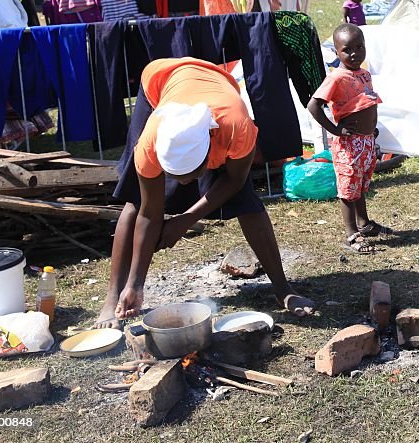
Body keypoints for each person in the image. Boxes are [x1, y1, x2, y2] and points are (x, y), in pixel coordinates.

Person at [95, 57, 316, 327]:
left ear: (210, 149)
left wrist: (185, 219)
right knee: (136, 200)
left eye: (192, 175)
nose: (185, 184)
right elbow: (149, 213)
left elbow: (234, 181)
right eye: (175, 177)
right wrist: (136, 284)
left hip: (218, 89)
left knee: (247, 201)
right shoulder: (150, 144)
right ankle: (116, 297)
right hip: (159, 83)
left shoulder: (236, 125)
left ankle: (284, 289)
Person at [306, 24, 392, 254]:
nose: (354, 53)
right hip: (348, 145)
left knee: (361, 185)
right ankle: (351, 233)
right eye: (347, 50)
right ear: (337, 53)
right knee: (347, 189)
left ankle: (364, 224)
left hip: (365, 141)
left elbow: (366, 103)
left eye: (359, 47)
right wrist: (334, 130)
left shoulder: (363, 74)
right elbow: (313, 105)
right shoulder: (336, 77)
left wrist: (371, 130)